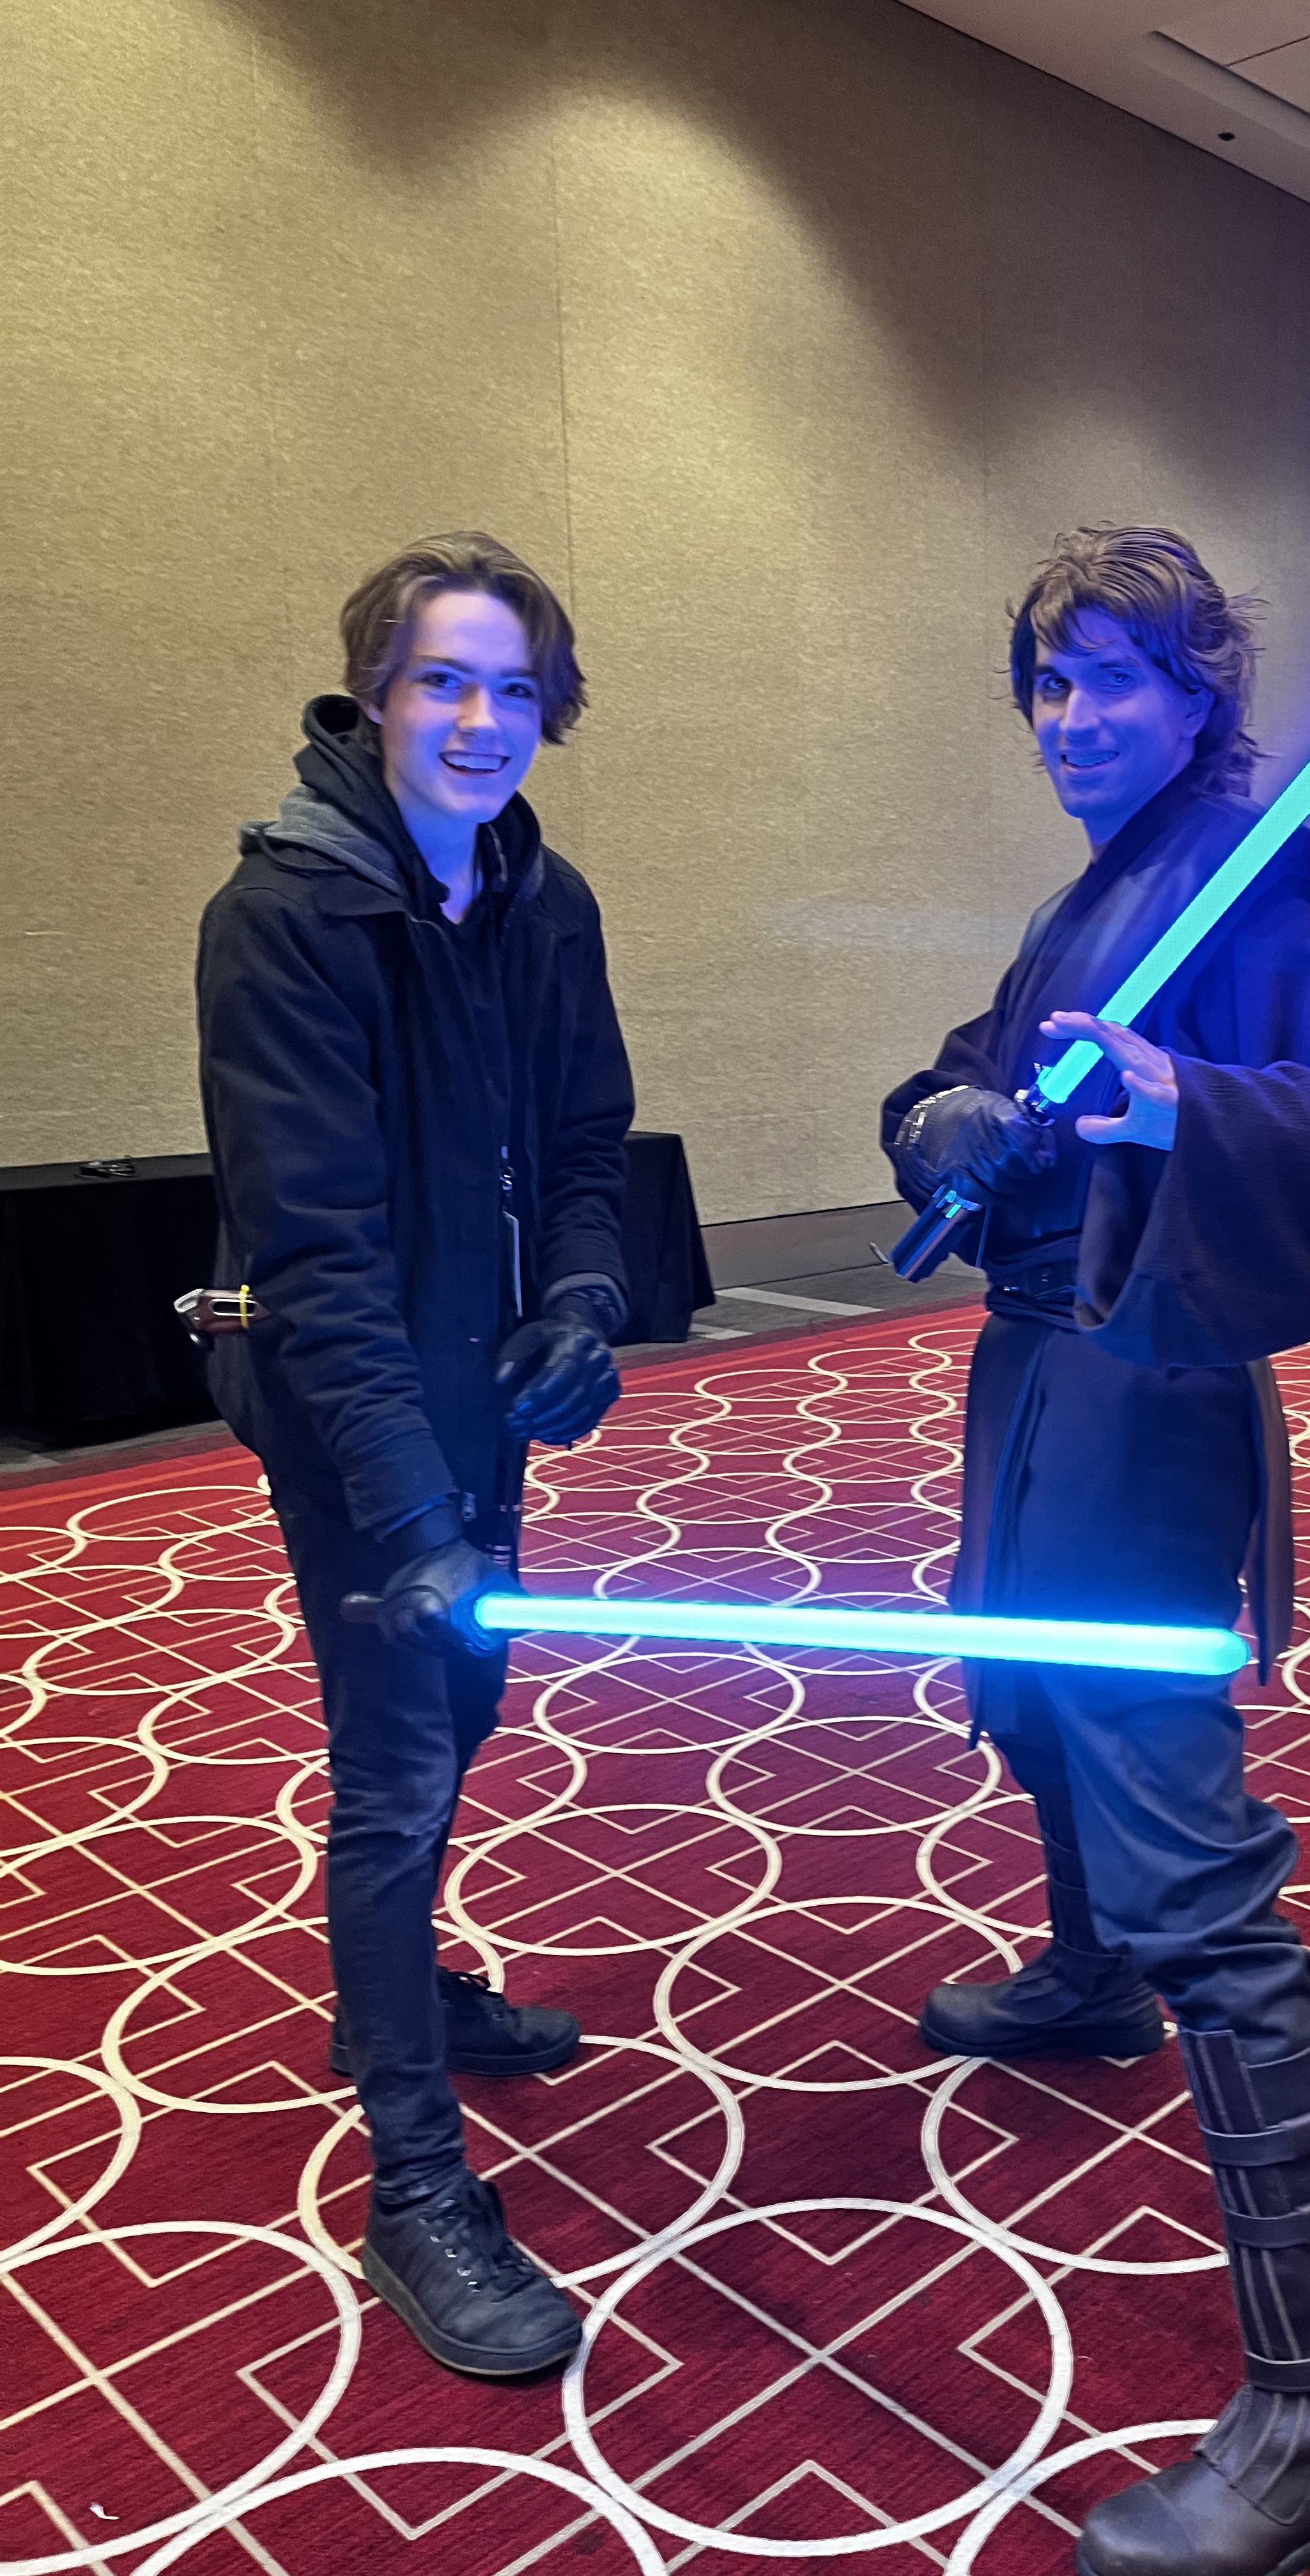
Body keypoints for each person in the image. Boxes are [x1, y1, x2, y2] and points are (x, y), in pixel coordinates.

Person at [882, 528, 1310, 2575]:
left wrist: (1172, 1106)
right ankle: (1083, 1977)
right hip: (1040, 1370)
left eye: (1115, 677)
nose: (1071, 718)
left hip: (1145, 1385)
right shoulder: (1097, 889)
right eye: (1049, 683)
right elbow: (978, 1066)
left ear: (1199, 690)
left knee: (1184, 1848)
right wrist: (944, 1115)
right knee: (1041, 1710)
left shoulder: (1250, 868)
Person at [196, 534, 633, 2377]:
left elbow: (592, 1140)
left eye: (513, 689)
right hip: (345, 1404)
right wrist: (410, 1518)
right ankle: (414, 2181)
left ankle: (406, 1996)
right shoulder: (284, 917)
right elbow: (313, 1256)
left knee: (464, 1715)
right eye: (443, 680)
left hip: (479, 1390)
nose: (478, 720)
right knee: (392, 1764)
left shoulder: (544, 902)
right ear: (374, 692)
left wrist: (584, 1303)